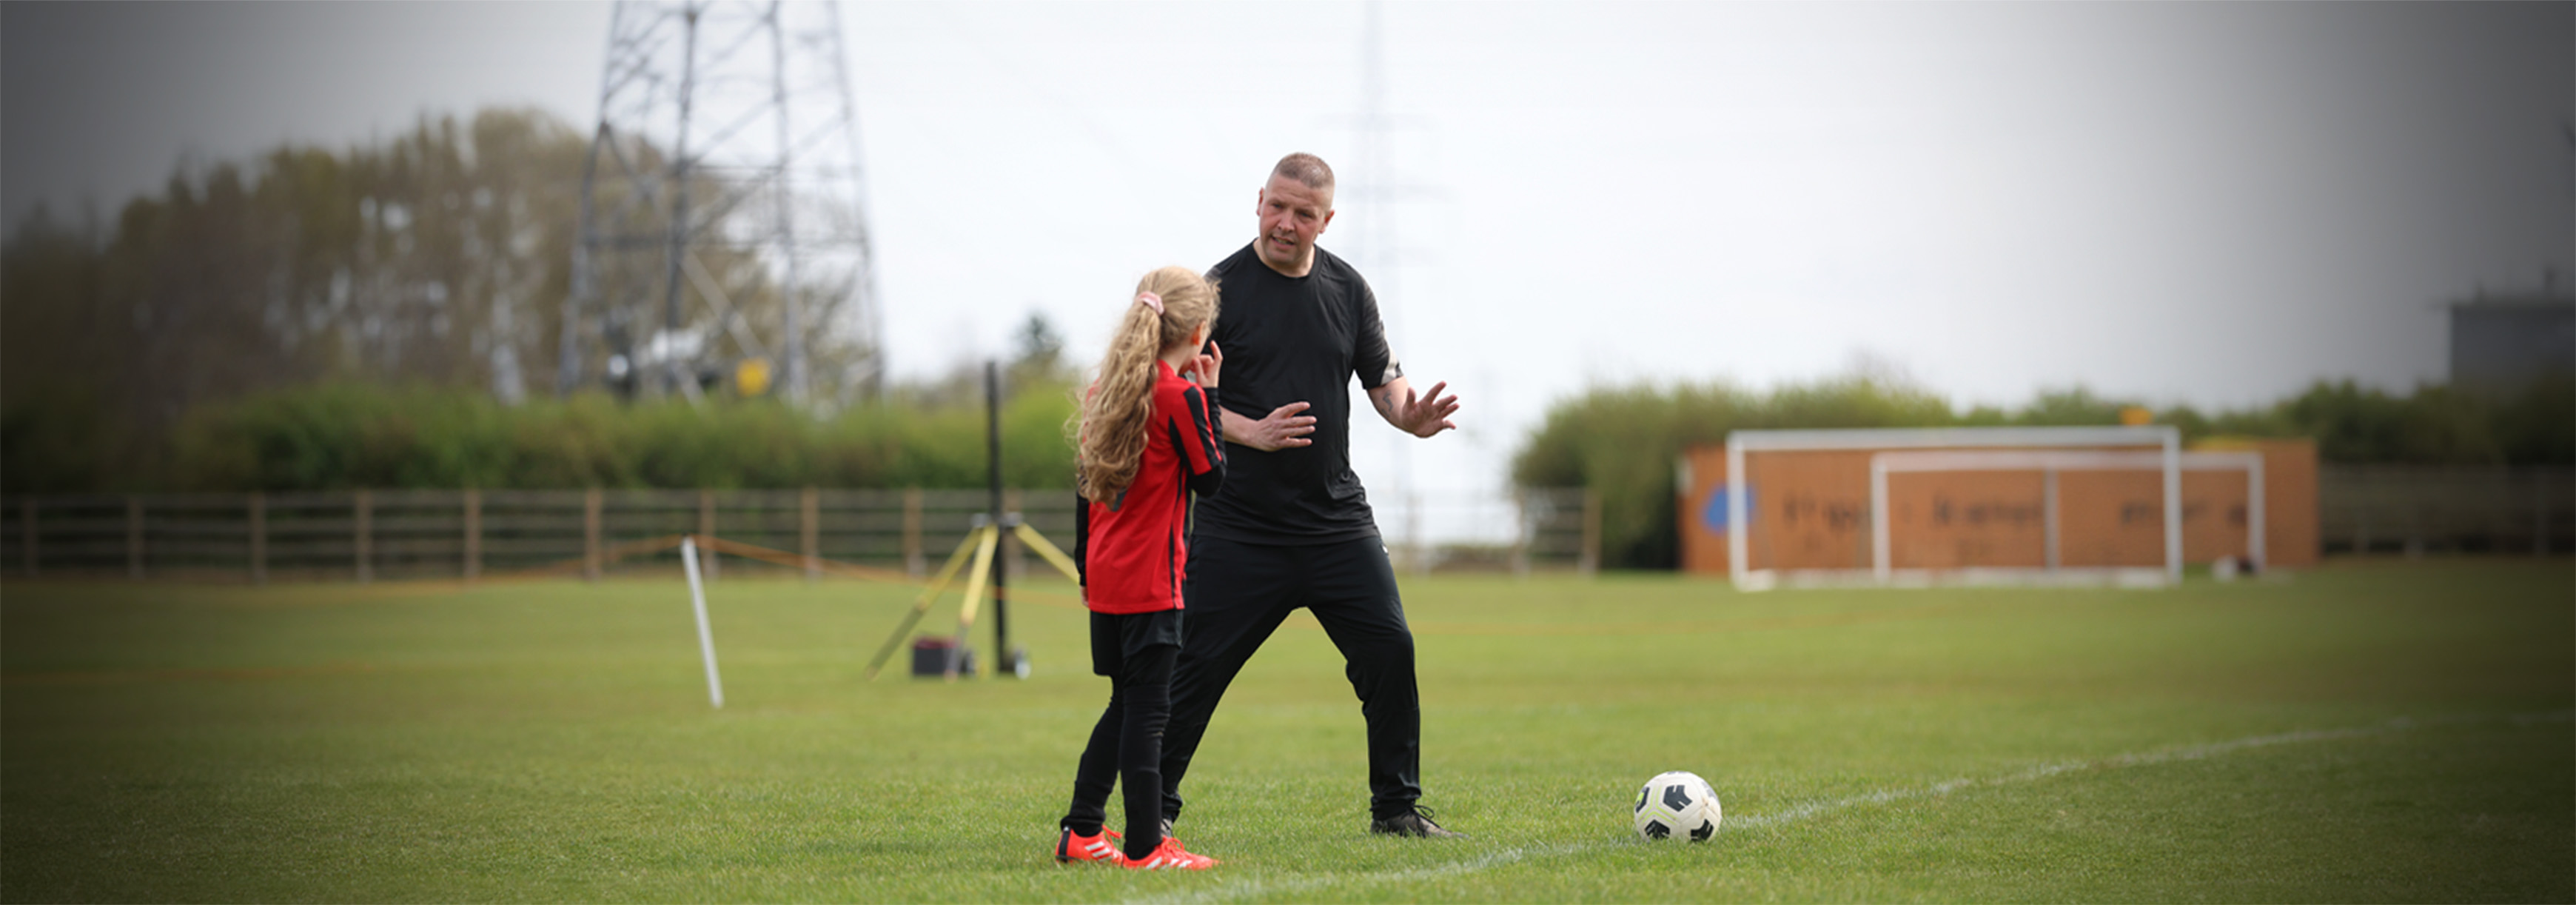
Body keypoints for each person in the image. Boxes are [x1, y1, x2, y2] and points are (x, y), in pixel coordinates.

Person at [1158, 153, 1466, 839]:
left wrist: (1409, 417)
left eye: (1304, 214)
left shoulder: (1349, 290)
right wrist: (1249, 431)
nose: (1285, 224)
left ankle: (1396, 811)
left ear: (1327, 221)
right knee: (1192, 672)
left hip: (1334, 521)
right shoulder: (1216, 292)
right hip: (1238, 524)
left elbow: (1385, 383)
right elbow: (1175, 391)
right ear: (1258, 201)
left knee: (1391, 650)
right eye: (1277, 206)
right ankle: (1157, 815)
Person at [1053, 267, 1228, 870]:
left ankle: (1081, 830)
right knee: (1149, 715)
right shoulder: (1177, 397)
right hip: (1154, 581)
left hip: (1106, 578)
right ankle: (1147, 847)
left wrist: (1084, 573)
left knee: (1124, 704)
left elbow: (1084, 493)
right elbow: (1212, 479)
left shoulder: (1107, 391)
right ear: (1199, 331)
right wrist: (1208, 393)